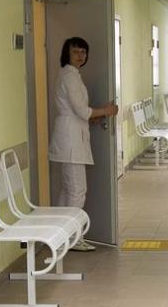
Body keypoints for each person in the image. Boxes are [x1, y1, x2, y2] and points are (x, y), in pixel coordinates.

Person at [48, 37, 117, 251]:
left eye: (83, 52)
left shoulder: (70, 75)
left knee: (68, 190)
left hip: (70, 136)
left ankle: (60, 235)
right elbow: (81, 110)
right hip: (71, 141)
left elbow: (78, 111)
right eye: (76, 51)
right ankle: (72, 238)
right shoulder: (70, 76)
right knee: (77, 191)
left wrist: (94, 116)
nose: (80, 55)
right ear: (67, 53)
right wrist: (106, 111)